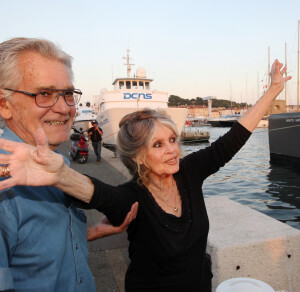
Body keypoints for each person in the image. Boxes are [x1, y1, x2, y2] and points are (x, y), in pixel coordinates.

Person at [0, 59, 291, 291]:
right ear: (139, 157)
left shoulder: (189, 173)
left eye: (173, 140)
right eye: (158, 145)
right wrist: (61, 175)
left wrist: (273, 90)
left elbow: (231, 140)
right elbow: (98, 194)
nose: (172, 151)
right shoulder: (132, 196)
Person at [0, 37, 137, 291]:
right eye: (44, 94)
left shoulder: (54, 163)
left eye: (67, 94)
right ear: (4, 105)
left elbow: (34, 247)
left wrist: (95, 231)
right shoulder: (6, 182)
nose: (64, 108)